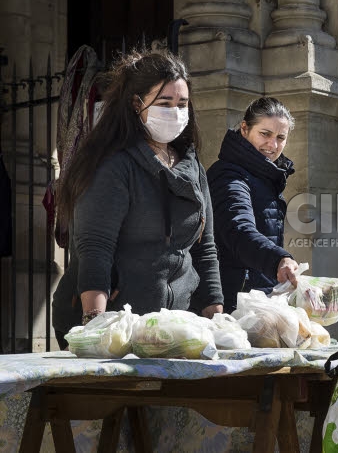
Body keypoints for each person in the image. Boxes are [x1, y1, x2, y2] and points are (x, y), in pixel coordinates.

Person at [52, 50, 224, 350]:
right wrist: (96, 327)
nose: (175, 111)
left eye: (182, 104)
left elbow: (205, 248)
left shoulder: (193, 167)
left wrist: (217, 318)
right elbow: (95, 248)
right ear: (136, 104)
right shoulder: (113, 166)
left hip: (169, 329)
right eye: (164, 103)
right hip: (115, 326)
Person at [207, 97, 299, 313]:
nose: (273, 145)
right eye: (265, 134)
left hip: (258, 296)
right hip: (233, 299)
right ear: (244, 128)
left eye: (280, 137)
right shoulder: (228, 174)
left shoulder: (265, 175)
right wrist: (279, 259)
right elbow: (239, 228)